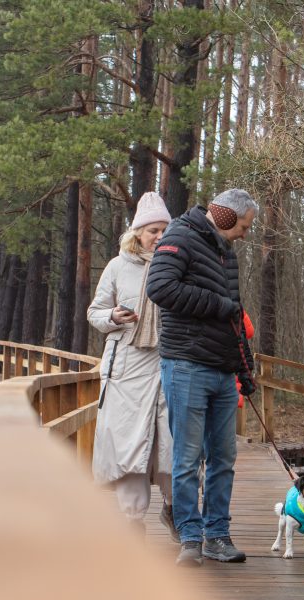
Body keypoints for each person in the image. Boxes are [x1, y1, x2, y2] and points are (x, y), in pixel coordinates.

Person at [146, 188, 258, 567]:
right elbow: (160, 288)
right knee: (187, 457)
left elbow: (234, 314)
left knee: (224, 456)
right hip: (186, 365)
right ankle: (190, 538)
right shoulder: (179, 236)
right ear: (225, 217)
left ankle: (217, 536)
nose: (244, 233)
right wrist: (215, 305)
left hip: (224, 370)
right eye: (243, 226)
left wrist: (245, 367)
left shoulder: (227, 251)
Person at [87, 192, 177, 540]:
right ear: (138, 232)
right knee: (131, 447)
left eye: (164, 229)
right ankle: (132, 520)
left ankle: (174, 510)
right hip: (126, 367)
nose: (159, 235)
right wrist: (113, 316)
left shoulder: (179, 264)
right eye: (153, 229)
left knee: (172, 442)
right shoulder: (117, 266)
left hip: (169, 362)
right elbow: (95, 312)